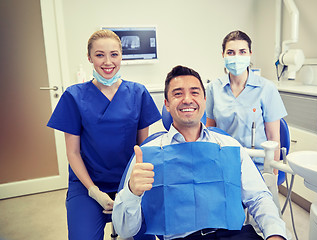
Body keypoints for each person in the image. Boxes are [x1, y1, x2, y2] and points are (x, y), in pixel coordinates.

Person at [112, 65, 287, 240]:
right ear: (166, 104)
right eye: (178, 93)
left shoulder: (229, 146)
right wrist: (131, 192)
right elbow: (126, 231)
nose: (187, 99)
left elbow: (258, 197)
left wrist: (275, 234)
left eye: (194, 92)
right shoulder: (148, 155)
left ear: (204, 100)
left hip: (234, 236)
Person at [47, 29, 161, 240]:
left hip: (129, 182)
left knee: (145, 235)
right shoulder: (74, 96)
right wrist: (94, 191)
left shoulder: (138, 93)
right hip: (87, 185)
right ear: (89, 58)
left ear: (121, 57)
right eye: (100, 55)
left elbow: (142, 149)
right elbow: (72, 153)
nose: (108, 61)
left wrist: (131, 189)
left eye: (114, 54)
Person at [205, 30, 287, 212]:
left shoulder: (266, 89)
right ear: (223, 55)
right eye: (231, 52)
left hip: (257, 164)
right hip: (224, 162)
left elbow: (274, 136)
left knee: (264, 216)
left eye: (242, 52)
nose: (236, 57)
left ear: (250, 54)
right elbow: (211, 130)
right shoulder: (213, 88)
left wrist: (271, 176)